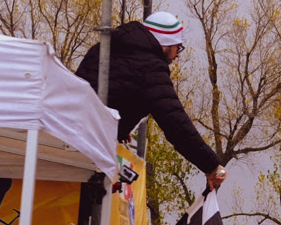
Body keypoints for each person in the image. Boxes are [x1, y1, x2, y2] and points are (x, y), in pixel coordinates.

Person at [75, 11, 228, 194]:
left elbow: (101, 91)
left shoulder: (105, 48)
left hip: (70, 132)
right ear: (164, 45)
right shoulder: (150, 66)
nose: (177, 55)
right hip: (90, 151)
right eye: (177, 47)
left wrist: (120, 127)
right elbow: (176, 123)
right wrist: (210, 165)